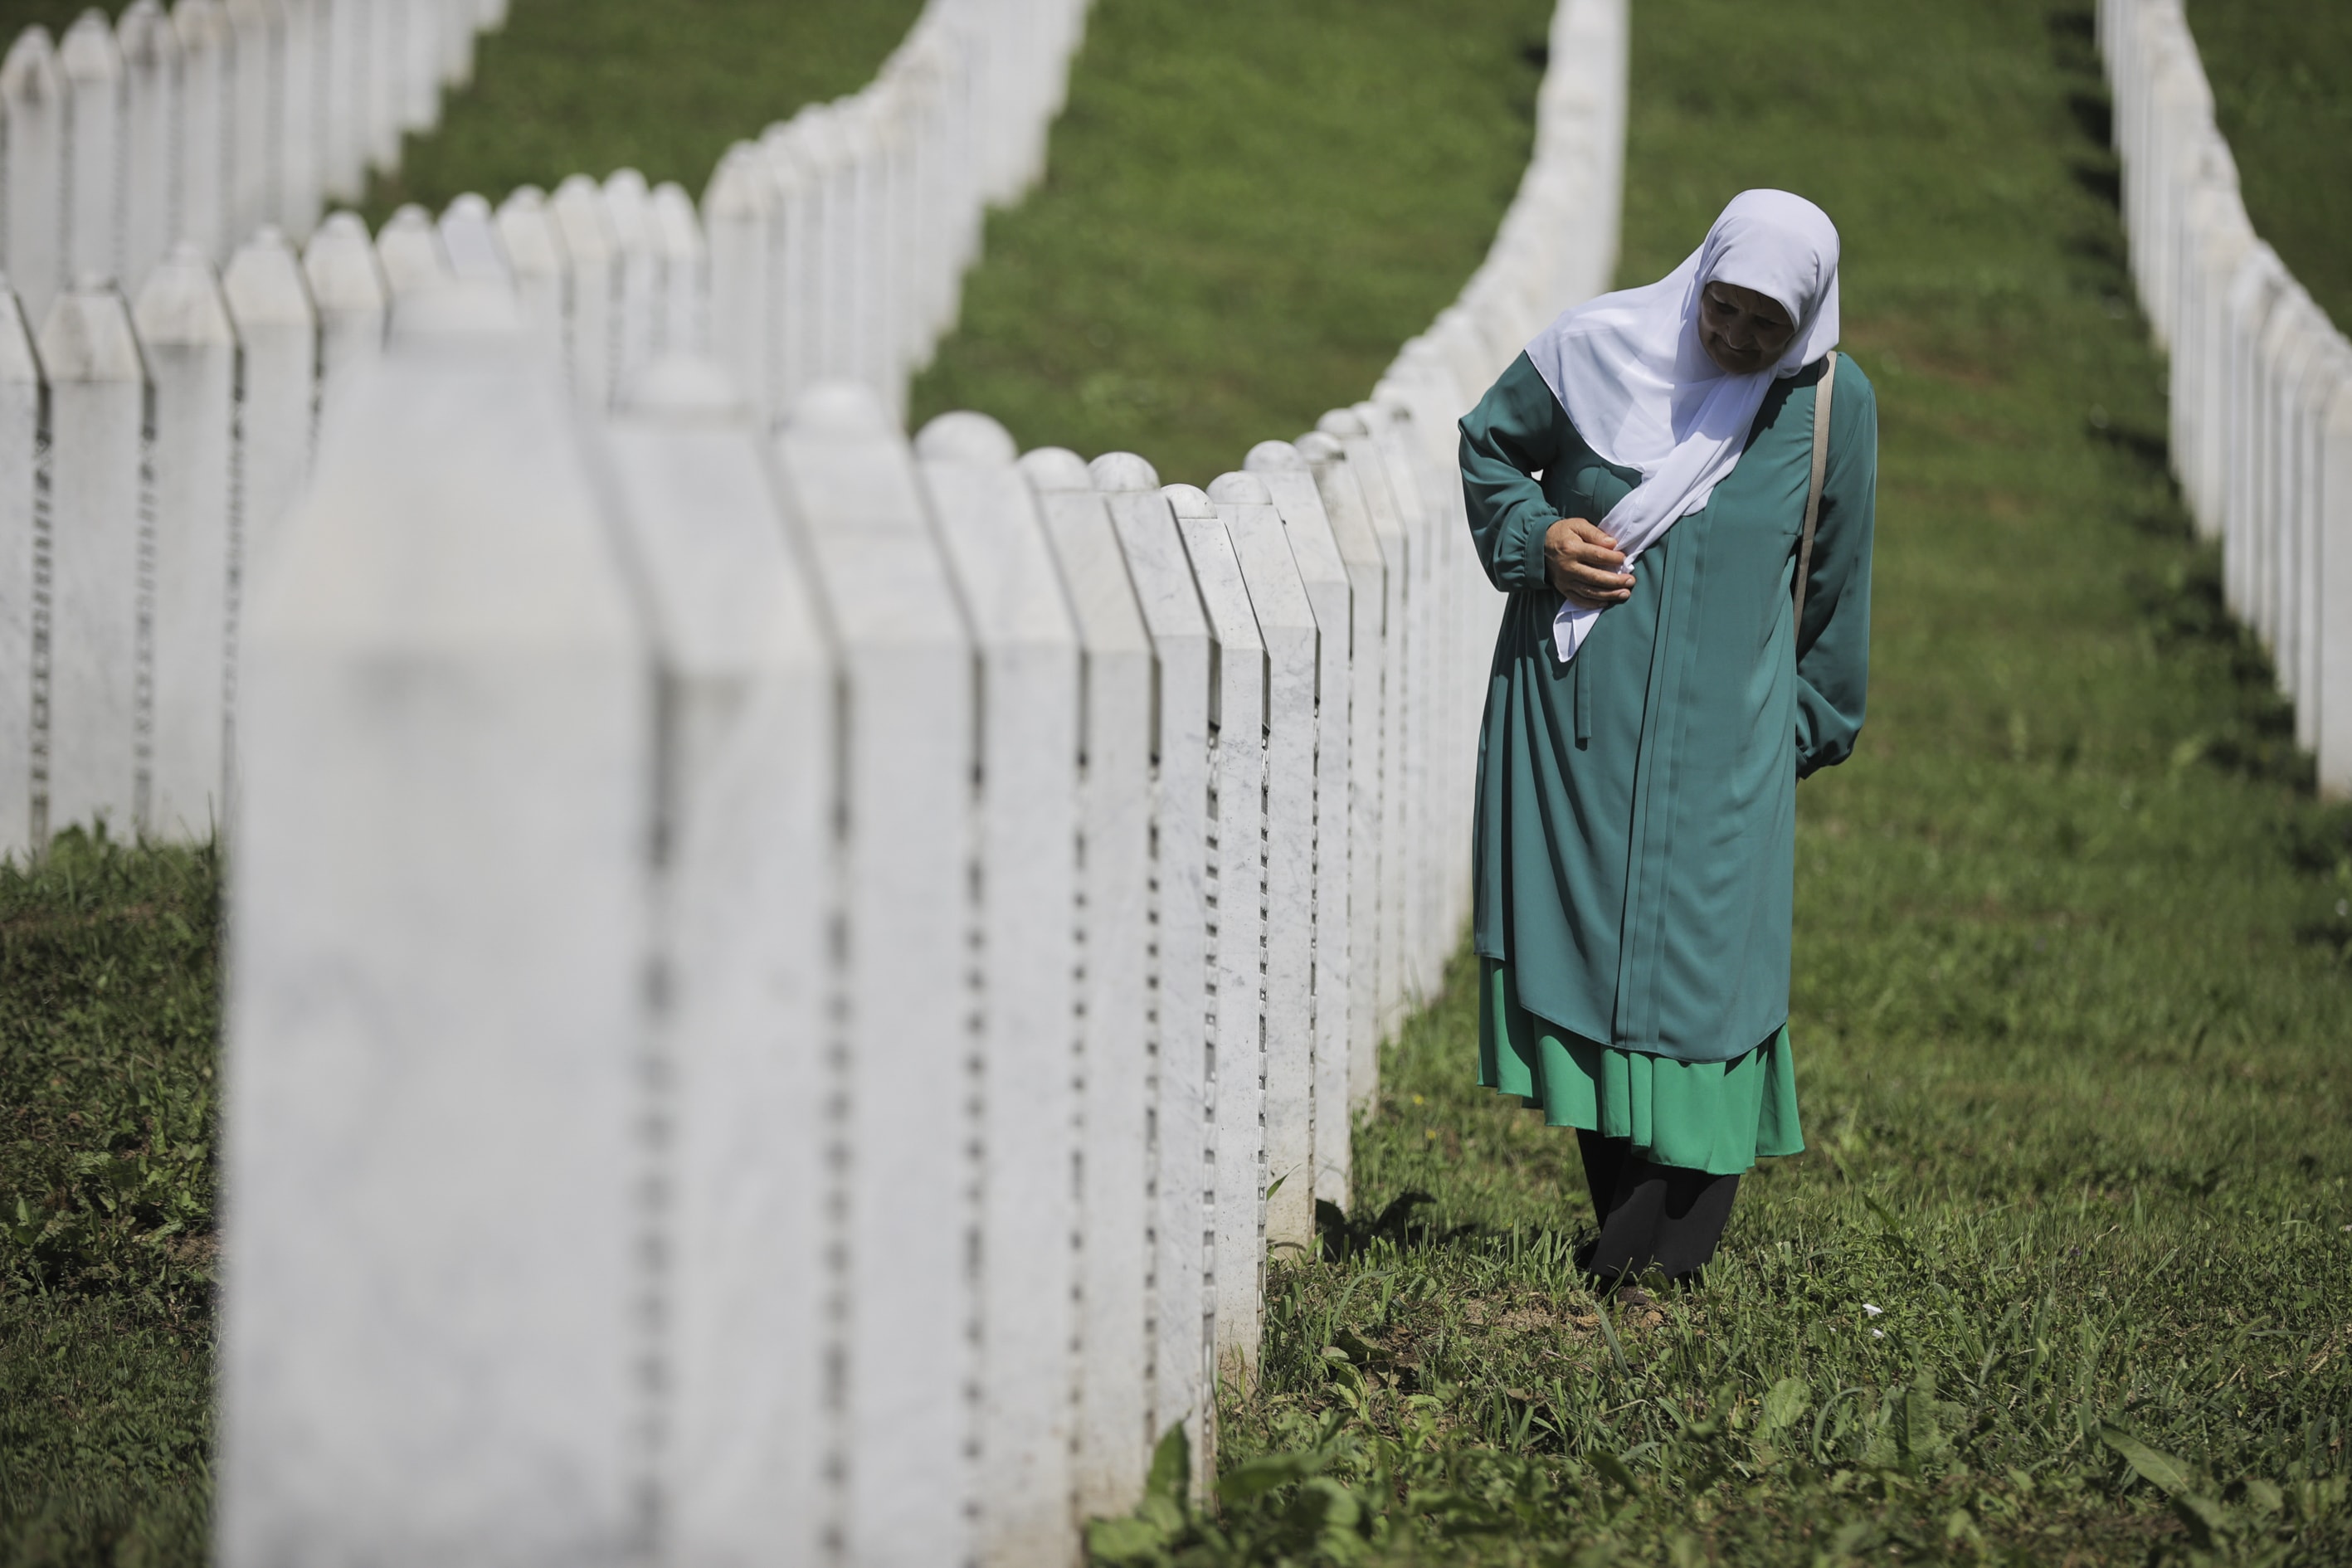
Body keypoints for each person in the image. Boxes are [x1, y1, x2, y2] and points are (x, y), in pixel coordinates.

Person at [1456, 188, 1876, 1298]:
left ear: (1809, 319)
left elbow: (1835, 591)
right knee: (1592, 970)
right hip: (1575, 733)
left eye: (1767, 324)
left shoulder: (1830, 407)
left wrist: (1784, 742)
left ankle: (1660, 1260)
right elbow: (1489, 450)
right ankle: (1629, 1262)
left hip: (1730, 763)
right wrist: (1539, 536)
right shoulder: (1593, 351)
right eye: (1724, 307)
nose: (1735, 337)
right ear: (1702, 274)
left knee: (1709, 991)